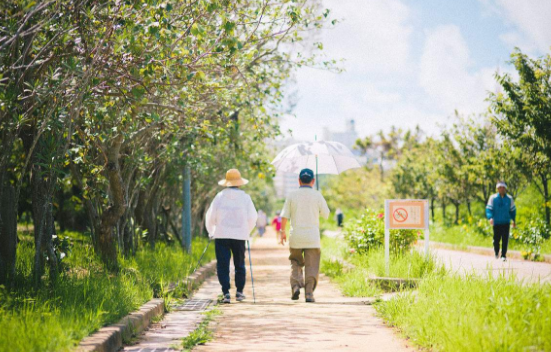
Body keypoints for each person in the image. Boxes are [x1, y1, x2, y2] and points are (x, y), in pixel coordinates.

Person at [206, 169, 257, 303]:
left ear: (227, 182)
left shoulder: (219, 196)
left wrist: (211, 231)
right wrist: (247, 231)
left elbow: (210, 215)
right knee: (239, 263)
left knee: (223, 264)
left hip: (221, 235)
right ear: (239, 183)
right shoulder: (245, 197)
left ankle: (226, 292)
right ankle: (239, 292)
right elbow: (253, 217)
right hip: (240, 236)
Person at [279, 168, 330, 303]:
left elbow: (284, 216)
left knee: (295, 262)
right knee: (312, 266)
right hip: (312, 238)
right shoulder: (317, 195)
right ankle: (309, 294)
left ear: (299, 180)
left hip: (296, 236)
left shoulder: (292, 195)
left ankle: (295, 286)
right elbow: (326, 214)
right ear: (313, 181)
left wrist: (282, 232)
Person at [486, 181, 516, 262]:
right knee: (496, 239)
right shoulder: (493, 198)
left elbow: (512, 210)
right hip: (496, 222)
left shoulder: (509, 199)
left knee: (505, 239)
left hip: (506, 222)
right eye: (500, 188)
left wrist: (513, 220)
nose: (502, 189)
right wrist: (490, 218)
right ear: (497, 189)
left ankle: (503, 255)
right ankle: (496, 252)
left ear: (505, 188)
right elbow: (489, 209)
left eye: (503, 188)